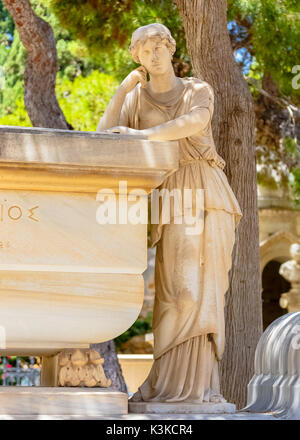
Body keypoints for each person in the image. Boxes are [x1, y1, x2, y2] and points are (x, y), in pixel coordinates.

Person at [97, 23, 243, 403]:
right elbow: (101, 137)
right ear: (138, 58)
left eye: (160, 46)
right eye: (145, 50)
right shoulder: (137, 98)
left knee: (201, 291)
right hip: (170, 196)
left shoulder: (197, 89)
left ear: (171, 49)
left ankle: (201, 389)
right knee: (173, 294)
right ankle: (166, 385)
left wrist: (142, 137)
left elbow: (194, 122)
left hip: (206, 191)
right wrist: (123, 90)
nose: (154, 55)